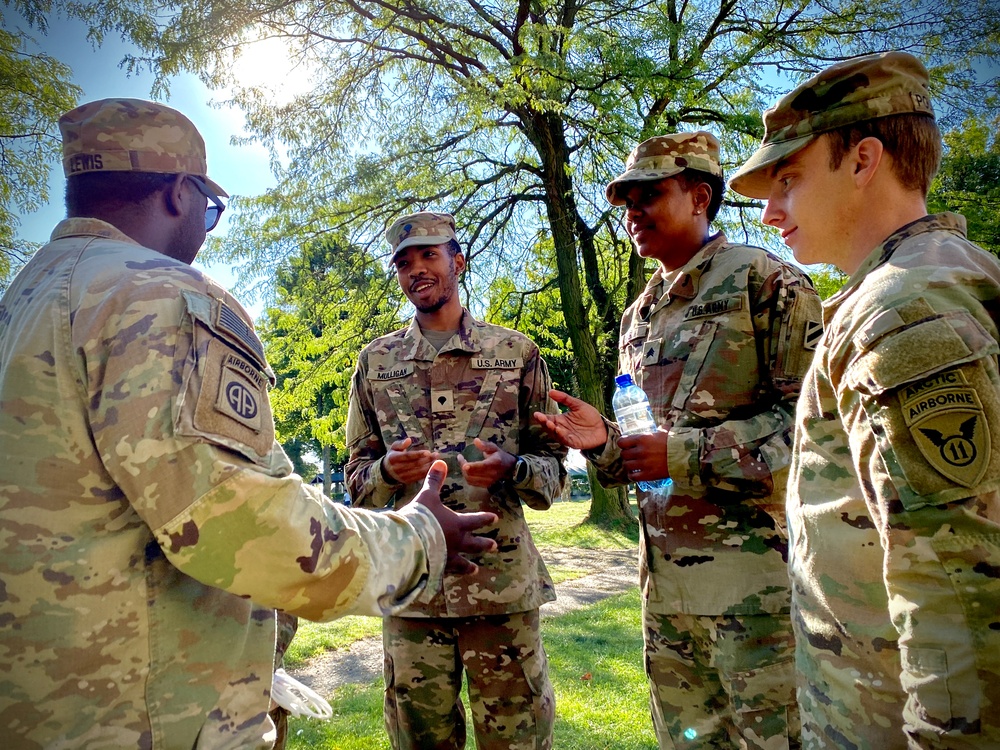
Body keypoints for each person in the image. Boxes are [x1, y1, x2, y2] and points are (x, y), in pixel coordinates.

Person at [0, 98, 497, 749]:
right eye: (208, 211)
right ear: (181, 194)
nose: (204, 231)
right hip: (149, 717)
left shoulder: (21, 303)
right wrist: (421, 536)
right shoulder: (158, 297)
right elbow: (245, 526)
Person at [728, 51, 1000, 747]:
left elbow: (964, 610)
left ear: (863, 159)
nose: (769, 213)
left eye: (788, 179)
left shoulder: (903, 314)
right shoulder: (937, 284)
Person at [534, 132, 823, 748]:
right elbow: (646, 453)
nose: (632, 212)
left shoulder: (766, 283)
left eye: (649, 195)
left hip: (757, 598)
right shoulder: (639, 315)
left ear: (699, 196)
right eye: (625, 200)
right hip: (665, 595)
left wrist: (683, 454)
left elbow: (819, 432)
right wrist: (604, 445)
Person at [345, 211, 567, 750]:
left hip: (500, 591)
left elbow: (555, 468)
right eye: (403, 261)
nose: (415, 269)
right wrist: (385, 472)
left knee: (516, 738)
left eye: (428, 255)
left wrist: (514, 470)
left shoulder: (516, 354)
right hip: (412, 590)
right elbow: (355, 478)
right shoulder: (375, 363)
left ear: (458, 262)